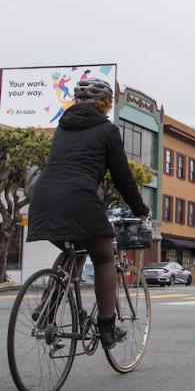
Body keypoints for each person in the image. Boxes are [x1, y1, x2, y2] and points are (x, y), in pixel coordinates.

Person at [27, 79, 150, 350]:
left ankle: (47, 308)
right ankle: (107, 327)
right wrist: (141, 209)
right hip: (80, 198)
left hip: (44, 199)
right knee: (104, 257)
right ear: (105, 104)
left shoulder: (62, 127)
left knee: (73, 248)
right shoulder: (107, 130)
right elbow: (123, 178)